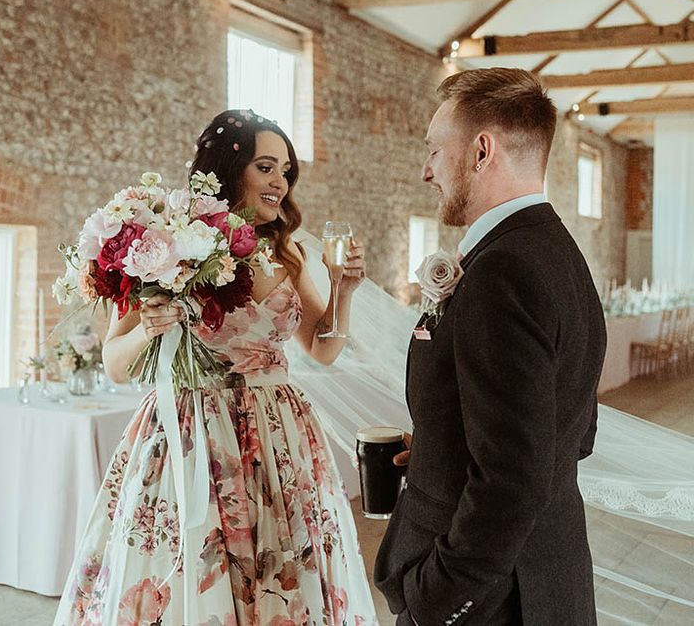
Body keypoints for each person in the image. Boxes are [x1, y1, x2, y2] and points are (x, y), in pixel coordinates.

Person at [53, 109, 378, 625]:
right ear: (232, 170)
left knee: (279, 571)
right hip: (191, 433)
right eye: (267, 167)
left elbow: (323, 348)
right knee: (191, 571)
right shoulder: (171, 243)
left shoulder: (286, 252)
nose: (281, 182)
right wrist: (148, 327)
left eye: (286, 171)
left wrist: (345, 289)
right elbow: (115, 364)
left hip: (277, 437)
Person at [373, 68, 607, 625]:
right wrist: (443, 443)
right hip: (550, 575)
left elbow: (511, 481)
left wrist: (437, 600)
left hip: (497, 601)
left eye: (434, 150)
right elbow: (572, 430)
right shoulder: (558, 253)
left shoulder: (502, 271)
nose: (425, 170)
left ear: (482, 151)